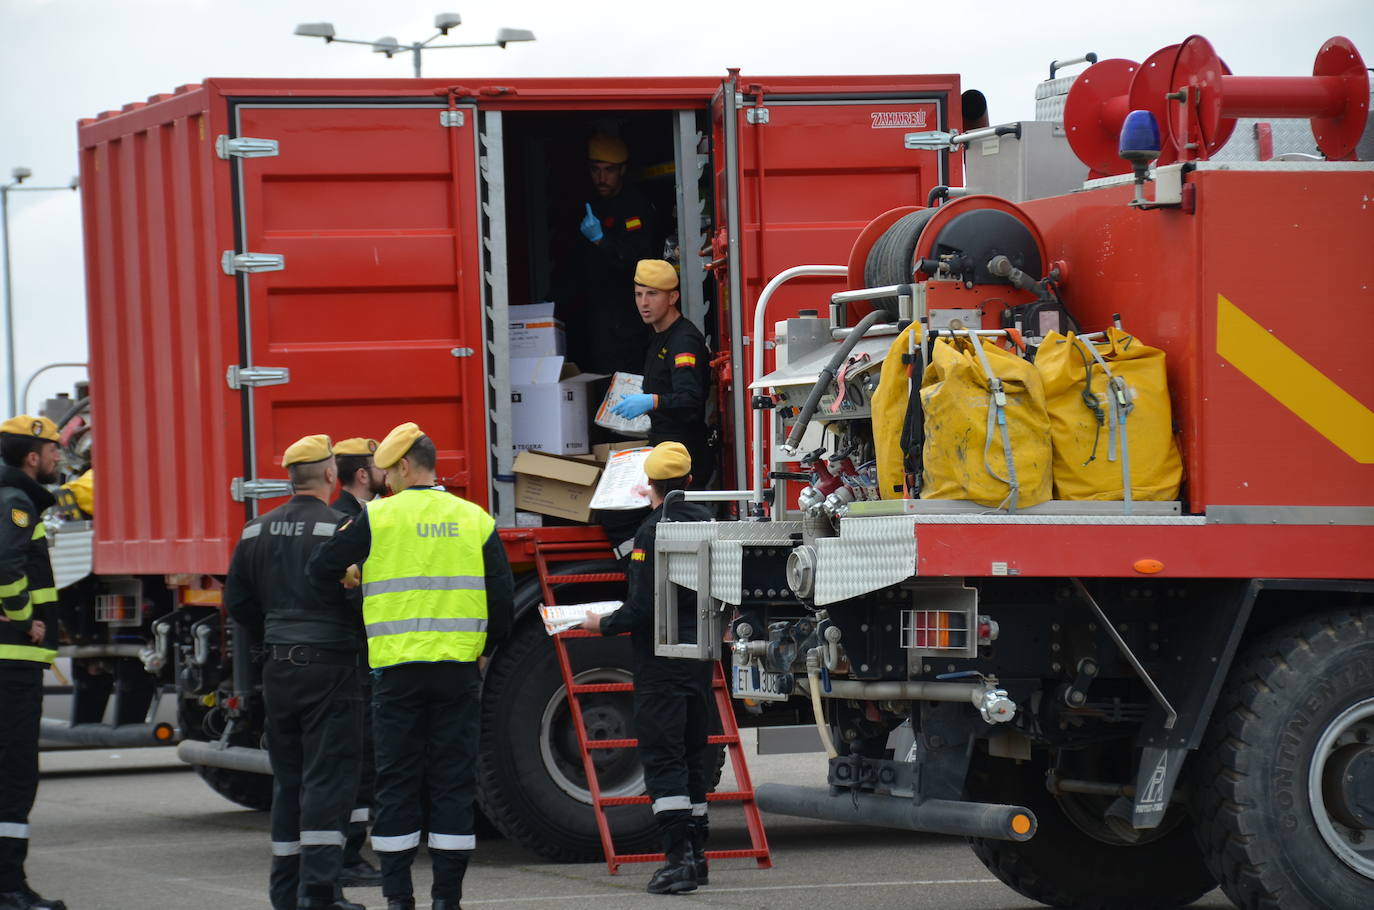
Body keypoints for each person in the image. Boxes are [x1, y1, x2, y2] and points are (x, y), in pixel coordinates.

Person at [307, 422, 514, 910]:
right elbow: (501, 602)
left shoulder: (377, 518)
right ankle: (448, 900)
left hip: (395, 674)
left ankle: (399, 898)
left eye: (386, 472)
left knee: (397, 783)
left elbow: (319, 569)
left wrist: (355, 600)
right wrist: (483, 650)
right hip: (458, 673)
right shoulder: (475, 518)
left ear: (403, 466)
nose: (384, 482)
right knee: (453, 782)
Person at [225, 435, 365, 910]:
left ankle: (285, 892)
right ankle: (321, 893)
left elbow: (238, 604)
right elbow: (357, 599)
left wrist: (275, 637)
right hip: (331, 667)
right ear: (330, 475)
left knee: (288, 780)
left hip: (279, 667)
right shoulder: (343, 527)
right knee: (328, 778)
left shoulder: (253, 531)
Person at [579, 442, 715, 895]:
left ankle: (677, 862)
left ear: (647, 487)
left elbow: (640, 608)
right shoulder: (706, 523)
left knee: (662, 759)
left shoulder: (649, 533)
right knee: (693, 758)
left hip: (660, 664)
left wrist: (602, 623)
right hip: (698, 659)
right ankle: (697, 858)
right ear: (689, 482)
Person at [0, 417, 65, 910]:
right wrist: (25, 620)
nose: (60, 457)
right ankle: (9, 888)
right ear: (31, 456)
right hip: (12, 660)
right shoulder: (16, 501)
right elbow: (7, 568)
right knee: (15, 774)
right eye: (54, 449)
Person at [327, 437, 385, 888]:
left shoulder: (345, 516)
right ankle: (348, 853)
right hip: (356, 656)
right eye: (378, 463)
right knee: (358, 758)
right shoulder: (354, 522)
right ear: (362, 474)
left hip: (344, 656)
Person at [562, 134, 659, 375]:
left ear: (623, 170)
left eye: (609, 170)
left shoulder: (635, 206)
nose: (602, 178)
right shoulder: (589, 203)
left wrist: (601, 240)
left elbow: (640, 262)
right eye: (596, 170)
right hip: (594, 315)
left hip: (626, 318)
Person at [610, 260, 712, 487]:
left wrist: (651, 401)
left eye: (652, 294)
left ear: (672, 298)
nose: (643, 303)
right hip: (665, 447)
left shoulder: (683, 340)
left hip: (682, 455)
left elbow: (690, 398)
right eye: (638, 294)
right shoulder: (658, 334)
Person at [331, 438, 384, 520]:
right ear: (363, 475)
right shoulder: (342, 519)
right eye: (380, 466)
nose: (386, 472)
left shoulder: (335, 514)